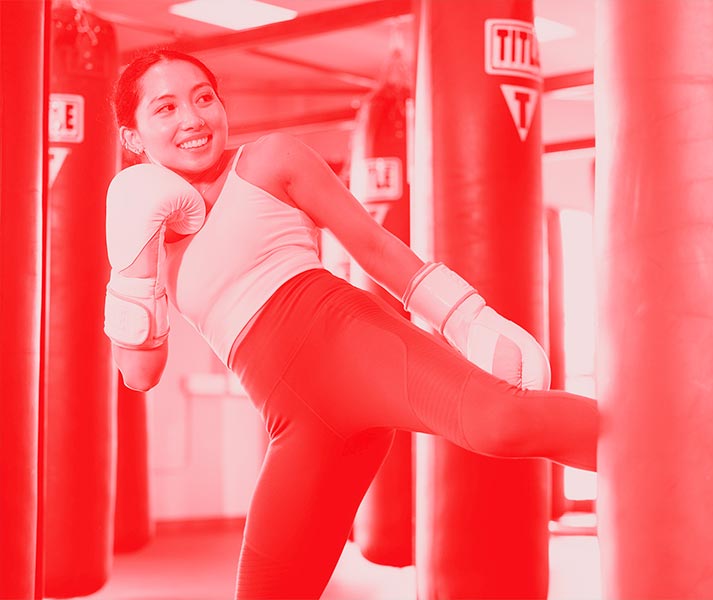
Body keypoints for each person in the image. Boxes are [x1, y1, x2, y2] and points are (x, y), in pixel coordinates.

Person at [104, 49, 599, 599]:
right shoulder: (144, 226)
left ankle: (682, 441)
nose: (193, 119)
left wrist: (467, 316)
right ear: (132, 137)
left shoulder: (269, 159)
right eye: (165, 108)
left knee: (503, 422)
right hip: (297, 420)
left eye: (203, 98)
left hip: (348, 339)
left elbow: (372, 244)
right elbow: (140, 375)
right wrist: (135, 262)